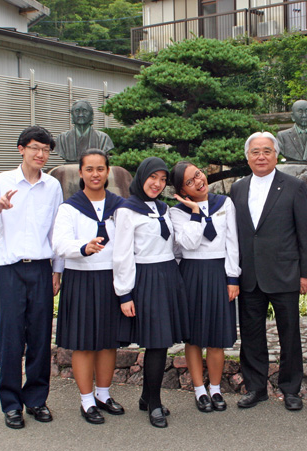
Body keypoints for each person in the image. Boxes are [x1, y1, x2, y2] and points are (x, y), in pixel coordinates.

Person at [0, 126, 63, 429]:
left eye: (46, 149)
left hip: (40, 269)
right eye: (35, 148)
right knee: (11, 340)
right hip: (10, 271)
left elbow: (56, 231)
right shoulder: (2, 181)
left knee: (39, 338)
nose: (41, 154)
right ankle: (11, 404)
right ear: (21, 149)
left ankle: (37, 399)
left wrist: (57, 269)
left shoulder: (52, 186)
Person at [230, 132, 307, 411]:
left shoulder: (293, 186)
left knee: (289, 334)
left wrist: (306, 274)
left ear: (277, 155)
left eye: (267, 151)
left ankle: (291, 389)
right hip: (250, 275)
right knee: (252, 335)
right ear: (247, 156)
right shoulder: (238, 187)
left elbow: (305, 232)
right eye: (255, 152)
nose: (261, 156)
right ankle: (256, 388)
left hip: (284, 273)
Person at [112, 157, 190, 428]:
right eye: (152, 178)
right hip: (146, 279)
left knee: (163, 341)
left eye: (163, 179)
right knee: (156, 343)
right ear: (141, 177)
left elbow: (174, 246)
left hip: (168, 276)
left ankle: (147, 397)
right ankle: (154, 404)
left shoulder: (163, 208)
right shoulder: (126, 209)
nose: (157, 184)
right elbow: (121, 255)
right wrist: (124, 294)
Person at [52, 149, 125, 425]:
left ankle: (104, 394)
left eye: (100, 169)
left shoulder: (120, 206)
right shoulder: (69, 208)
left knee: (108, 342)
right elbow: (59, 244)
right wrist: (83, 247)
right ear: (81, 172)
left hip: (111, 279)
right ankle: (86, 400)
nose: (95, 174)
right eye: (90, 169)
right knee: (83, 343)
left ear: (108, 172)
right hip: (81, 279)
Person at [169, 161, 240, 413]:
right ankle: (199, 390)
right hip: (191, 274)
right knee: (194, 337)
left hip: (219, 272)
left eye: (198, 174)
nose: (199, 181)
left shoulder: (225, 203)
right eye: (190, 181)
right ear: (182, 191)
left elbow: (232, 241)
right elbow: (188, 243)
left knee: (217, 338)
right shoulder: (177, 213)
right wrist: (196, 212)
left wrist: (233, 278)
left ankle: (216, 389)